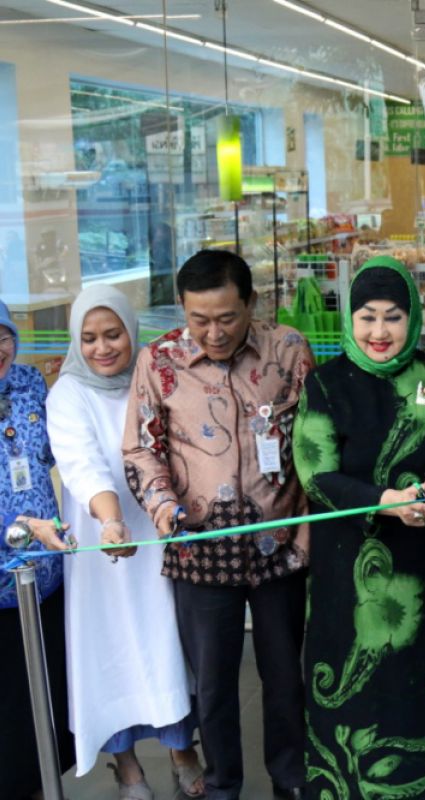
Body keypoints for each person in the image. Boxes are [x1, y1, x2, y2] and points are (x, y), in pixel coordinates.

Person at [123, 249, 312, 800]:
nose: (213, 332)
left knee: (283, 677)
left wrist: (309, 527)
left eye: (227, 318)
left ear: (251, 303)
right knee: (213, 684)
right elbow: (140, 449)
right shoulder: (158, 363)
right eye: (198, 319)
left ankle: (290, 778)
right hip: (199, 549)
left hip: (279, 546)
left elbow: (315, 442)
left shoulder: (288, 350)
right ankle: (223, 782)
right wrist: (162, 504)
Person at [294, 257, 425, 800]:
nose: (380, 333)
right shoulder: (324, 386)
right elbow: (316, 475)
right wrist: (383, 501)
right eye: (367, 317)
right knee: (352, 699)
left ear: (414, 318)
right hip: (346, 575)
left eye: (394, 318)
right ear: (350, 320)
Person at [47, 285, 204, 798]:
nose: (102, 347)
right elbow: (82, 463)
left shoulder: (151, 374)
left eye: (112, 333)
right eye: (89, 338)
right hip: (103, 543)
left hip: (157, 532)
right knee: (108, 647)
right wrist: (111, 522)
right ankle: (128, 766)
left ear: (129, 330)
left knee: (165, 640)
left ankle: (183, 750)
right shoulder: (68, 392)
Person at [0, 299, 75, 799]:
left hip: (45, 578)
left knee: (46, 698)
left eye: (2, 336)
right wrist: (22, 525)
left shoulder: (28, 383)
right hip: (4, 588)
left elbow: (57, 449)